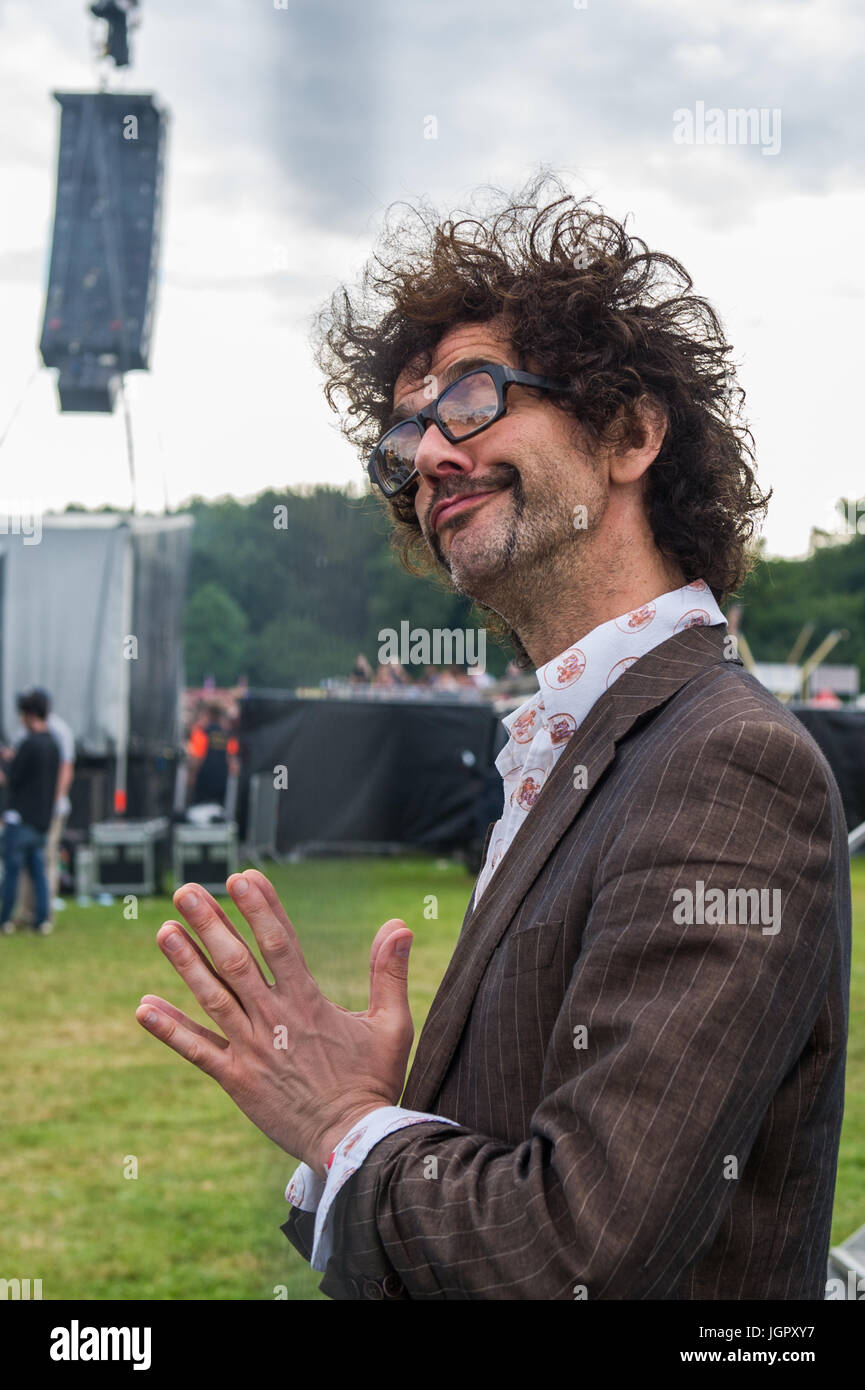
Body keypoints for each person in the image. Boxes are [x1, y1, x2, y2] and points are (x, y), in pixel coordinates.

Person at [136, 179, 850, 1300]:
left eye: (470, 398)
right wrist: (402, 1115)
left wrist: (349, 1126)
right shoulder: (576, 748)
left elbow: (576, 1255)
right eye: (408, 431)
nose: (425, 455)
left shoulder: (723, 762)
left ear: (627, 431)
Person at [11, 686, 75, 924]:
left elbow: (65, 770)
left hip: (52, 808)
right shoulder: (24, 734)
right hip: (31, 810)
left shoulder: (59, 732)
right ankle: (28, 912)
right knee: (29, 862)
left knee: (46, 859)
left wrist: (52, 802)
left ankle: (43, 912)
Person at [0, 690, 60, 935]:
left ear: (29, 714)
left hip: (21, 819)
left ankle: (4, 919)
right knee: (38, 872)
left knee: (12, 871)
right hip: (42, 820)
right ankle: (42, 920)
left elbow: (11, 778)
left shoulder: (28, 743)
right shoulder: (53, 744)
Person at [186, 702, 239, 809]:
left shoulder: (201, 733)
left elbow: (198, 758)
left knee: (199, 810)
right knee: (217, 811)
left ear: (208, 714)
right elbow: (232, 760)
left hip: (203, 778)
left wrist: (192, 775)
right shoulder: (228, 735)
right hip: (221, 780)